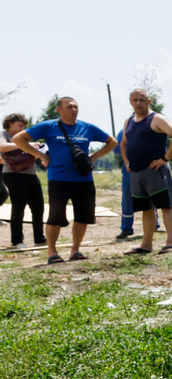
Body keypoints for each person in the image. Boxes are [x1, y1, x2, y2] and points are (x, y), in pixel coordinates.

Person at [12, 97, 116, 263]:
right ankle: (52, 252)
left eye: (76, 106)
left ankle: (75, 250)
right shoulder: (49, 126)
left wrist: (95, 156)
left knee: (83, 216)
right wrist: (39, 155)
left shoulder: (86, 127)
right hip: (59, 179)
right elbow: (18, 139)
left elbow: (112, 142)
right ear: (59, 109)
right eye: (69, 107)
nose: (73, 109)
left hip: (84, 179)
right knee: (55, 216)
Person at [120, 88, 172, 255]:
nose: (138, 103)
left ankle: (170, 243)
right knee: (146, 209)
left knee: (166, 206)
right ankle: (146, 245)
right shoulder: (129, 121)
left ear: (148, 101)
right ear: (130, 102)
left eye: (141, 100)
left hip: (155, 171)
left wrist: (165, 159)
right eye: (135, 100)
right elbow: (124, 143)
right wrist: (127, 162)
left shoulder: (156, 119)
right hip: (136, 172)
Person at [1, 113, 48, 248]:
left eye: (24, 126)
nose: (22, 128)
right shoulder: (3, 134)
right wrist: (22, 144)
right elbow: (2, 147)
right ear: (10, 123)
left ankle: (39, 238)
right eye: (19, 125)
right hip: (13, 174)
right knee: (18, 207)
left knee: (38, 207)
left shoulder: (25, 136)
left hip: (31, 174)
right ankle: (17, 240)